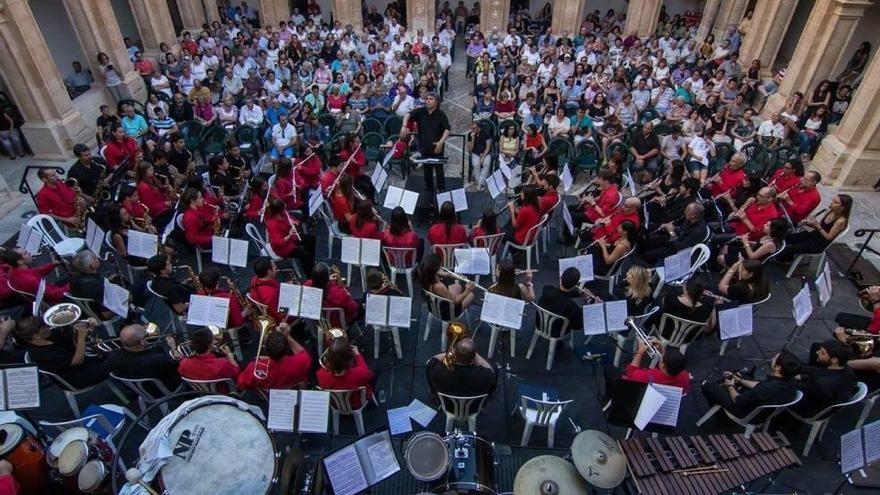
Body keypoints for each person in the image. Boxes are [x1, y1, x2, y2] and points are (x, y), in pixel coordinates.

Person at [14, 316, 109, 388]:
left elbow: (70, 337)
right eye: (44, 328)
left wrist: (86, 325)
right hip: (77, 377)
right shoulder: (46, 355)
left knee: (111, 345)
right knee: (116, 357)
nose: (48, 327)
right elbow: (77, 361)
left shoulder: (49, 336)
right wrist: (81, 337)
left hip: (83, 361)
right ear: (36, 336)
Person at [701, 351, 801, 419]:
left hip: (745, 412)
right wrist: (739, 379)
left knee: (707, 386)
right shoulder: (791, 380)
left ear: (778, 367)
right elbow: (759, 384)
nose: (772, 359)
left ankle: (722, 418)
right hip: (764, 409)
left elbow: (738, 400)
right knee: (742, 375)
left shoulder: (766, 388)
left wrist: (730, 386)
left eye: (774, 359)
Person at [791, 339, 857, 417]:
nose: (817, 352)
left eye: (822, 353)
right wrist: (803, 376)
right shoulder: (847, 370)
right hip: (824, 398)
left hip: (808, 409)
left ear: (834, 360)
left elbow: (803, 392)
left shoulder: (821, 384)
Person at [604, 341, 690, 401]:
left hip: (638, 397)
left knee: (609, 369)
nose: (661, 357)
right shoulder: (685, 376)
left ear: (663, 366)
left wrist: (640, 352)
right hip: (663, 399)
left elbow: (630, 372)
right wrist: (661, 349)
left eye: (662, 359)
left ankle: (608, 398)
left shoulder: (649, 377)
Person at [107, 324, 182, 391]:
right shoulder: (157, 359)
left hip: (137, 388)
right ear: (142, 342)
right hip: (162, 387)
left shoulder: (113, 355)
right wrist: (173, 347)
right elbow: (179, 362)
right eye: (145, 334)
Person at [778, 194, 851, 262]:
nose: (831, 203)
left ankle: (784, 260)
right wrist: (809, 223)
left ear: (842, 207)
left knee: (788, 248)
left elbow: (828, 237)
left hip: (818, 244)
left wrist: (817, 225)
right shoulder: (829, 211)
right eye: (833, 201)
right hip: (813, 235)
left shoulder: (841, 221)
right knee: (786, 237)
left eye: (835, 202)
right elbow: (818, 227)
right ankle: (786, 258)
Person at [238, 323, 312, 390]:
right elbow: (302, 352)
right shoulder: (301, 362)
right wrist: (287, 336)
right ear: (286, 349)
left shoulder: (254, 368)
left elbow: (241, 384)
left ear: (266, 349)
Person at [401, 93, 451, 191]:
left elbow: (447, 129)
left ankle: (441, 188)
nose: (428, 101)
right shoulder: (421, 111)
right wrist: (404, 126)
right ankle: (428, 188)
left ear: (436, 102)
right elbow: (408, 114)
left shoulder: (441, 114)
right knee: (427, 169)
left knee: (439, 169)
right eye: (427, 99)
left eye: (431, 99)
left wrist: (441, 142)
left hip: (437, 147)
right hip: (424, 145)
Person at [426, 337, 496, 400]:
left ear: (455, 355)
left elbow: (430, 361)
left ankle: (433, 395)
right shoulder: (484, 376)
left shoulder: (439, 370)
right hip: (473, 407)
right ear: (474, 357)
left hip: (447, 405)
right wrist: (475, 354)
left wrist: (451, 353)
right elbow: (491, 370)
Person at [316, 337, 377, 407]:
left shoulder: (320, 374)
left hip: (335, 404)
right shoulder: (358, 373)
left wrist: (333, 356)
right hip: (356, 403)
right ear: (349, 357)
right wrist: (358, 355)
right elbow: (368, 374)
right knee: (376, 365)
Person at [639, 202, 707, 265]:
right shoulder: (689, 219)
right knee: (647, 242)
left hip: (676, 250)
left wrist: (671, 231)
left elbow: (679, 247)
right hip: (673, 239)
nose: (685, 211)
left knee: (647, 255)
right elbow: (681, 229)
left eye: (687, 210)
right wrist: (669, 226)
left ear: (694, 216)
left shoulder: (697, 232)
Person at [264, 199, 316, 274]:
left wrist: (295, 222)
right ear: (278, 210)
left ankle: (310, 262)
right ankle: (310, 272)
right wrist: (289, 235)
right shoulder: (273, 224)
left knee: (311, 239)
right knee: (305, 255)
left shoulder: (283, 214)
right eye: (283, 207)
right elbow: (277, 243)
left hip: (291, 239)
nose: (285, 208)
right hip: (283, 248)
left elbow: (291, 219)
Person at [304, 263, 363, 328]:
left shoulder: (307, 285)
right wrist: (344, 290)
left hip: (317, 321)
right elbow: (354, 308)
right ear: (326, 279)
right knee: (360, 308)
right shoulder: (339, 293)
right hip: (337, 323)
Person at [718, 218, 789, 269]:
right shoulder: (768, 236)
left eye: (767, 226)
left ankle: (734, 273)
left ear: (773, 230)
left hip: (750, 260)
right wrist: (746, 241)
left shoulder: (770, 244)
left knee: (720, 258)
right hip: (750, 251)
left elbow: (752, 256)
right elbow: (759, 245)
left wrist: (746, 243)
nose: (764, 225)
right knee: (725, 248)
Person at [3, 249, 68, 304]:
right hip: (58, 298)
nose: (29, 253)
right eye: (26, 253)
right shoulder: (29, 280)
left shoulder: (15, 270)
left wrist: (53, 265)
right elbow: (55, 295)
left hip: (49, 290)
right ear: (20, 261)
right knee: (76, 279)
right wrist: (74, 284)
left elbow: (36, 272)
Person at [537, 267, 584, 332]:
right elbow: (577, 327)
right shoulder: (573, 307)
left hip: (539, 324)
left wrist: (578, 294)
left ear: (561, 278)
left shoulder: (547, 289)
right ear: (575, 285)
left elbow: (560, 294)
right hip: (557, 332)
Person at [468, 120, 493, 189]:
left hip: (485, 153)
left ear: (479, 128)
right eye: (472, 128)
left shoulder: (486, 134)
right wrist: (472, 138)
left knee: (486, 164)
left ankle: (480, 183)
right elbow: (470, 149)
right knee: (476, 164)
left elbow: (488, 147)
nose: (472, 130)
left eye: (474, 128)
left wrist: (483, 157)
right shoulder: (470, 135)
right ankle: (479, 183)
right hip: (475, 153)